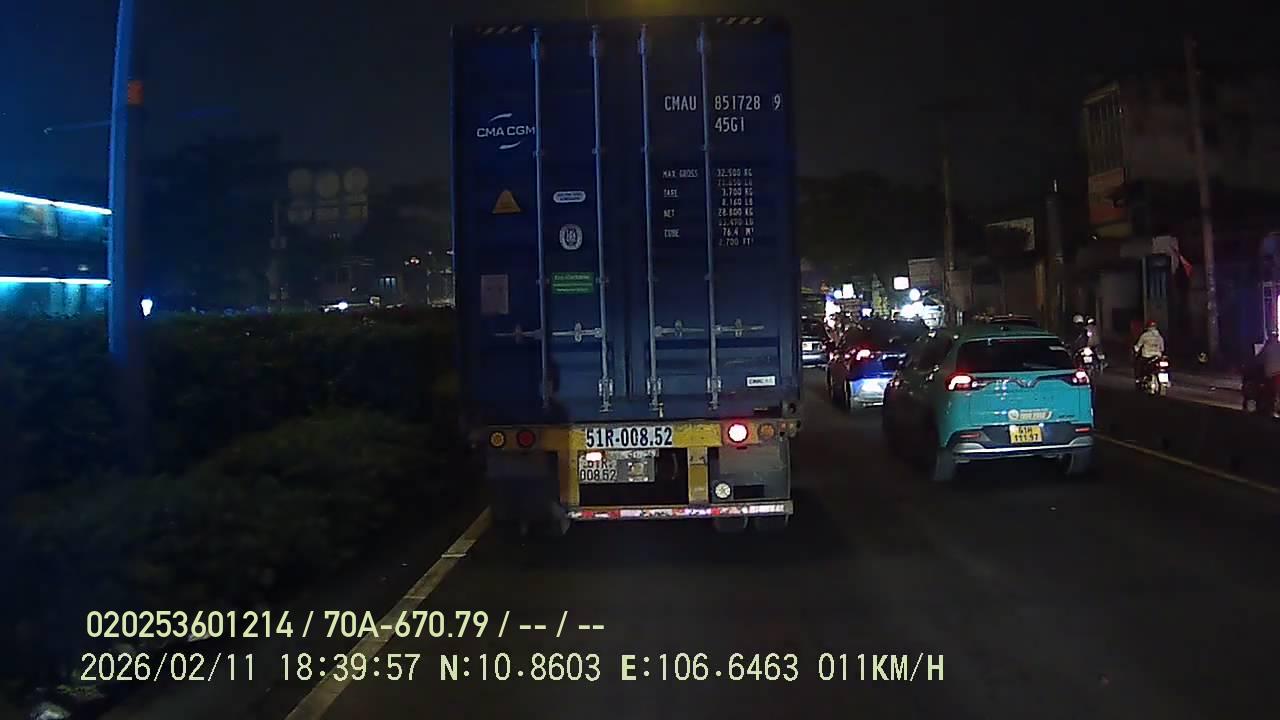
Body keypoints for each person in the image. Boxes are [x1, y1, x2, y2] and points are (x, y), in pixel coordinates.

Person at [1259, 333, 1280, 417]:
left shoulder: (1267, 347)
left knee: (1270, 392)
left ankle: (1270, 408)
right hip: (1278, 373)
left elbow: (1260, 358)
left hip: (1271, 374)